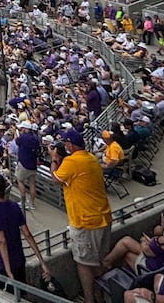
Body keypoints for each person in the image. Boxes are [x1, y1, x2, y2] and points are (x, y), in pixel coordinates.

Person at [49, 129, 112, 303]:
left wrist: (54, 159)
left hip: (86, 221)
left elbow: (55, 178)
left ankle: (90, 299)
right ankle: (102, 296)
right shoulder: (91, 158)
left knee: (84, 263)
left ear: (70, 144)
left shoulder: (71, 161)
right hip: (103, 217)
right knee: (98, 262)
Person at [0, 172, 50, 288]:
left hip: (2, 264)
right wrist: (42, 263)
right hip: (19, 259)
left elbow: (1, 241)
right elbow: (27, 234)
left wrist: (8, 271)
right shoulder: (14, 206)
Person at [14, 121, 41, 210]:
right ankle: (32, 204)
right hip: (33, 164)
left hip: (23, 163)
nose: (21, 130)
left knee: (20, 180)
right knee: (32, 184)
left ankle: (23, 202)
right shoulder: (36, 138)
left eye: (22, 128)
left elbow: (17, 141)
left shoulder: (23, 137)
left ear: (26, 129)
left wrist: (16, 132)